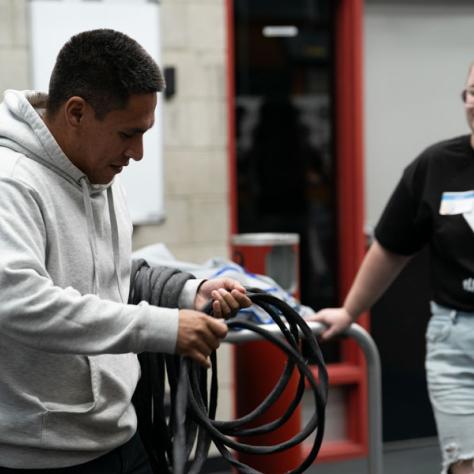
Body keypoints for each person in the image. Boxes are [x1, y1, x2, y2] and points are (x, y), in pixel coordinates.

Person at [0, 29, 251, 473]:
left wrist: (186, 292)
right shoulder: (11, 181)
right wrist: (163, 327)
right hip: (35, 458)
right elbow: (18, 299)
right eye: (127, 133)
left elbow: (106, 275)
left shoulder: (101, 173)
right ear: (76, 112)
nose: (136, 153)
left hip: (121, 438)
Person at [309, 63, 474, 474]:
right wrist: (349, 312)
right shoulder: (436, 165)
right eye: (473, 91)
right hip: (456, 343)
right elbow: (390, 249)